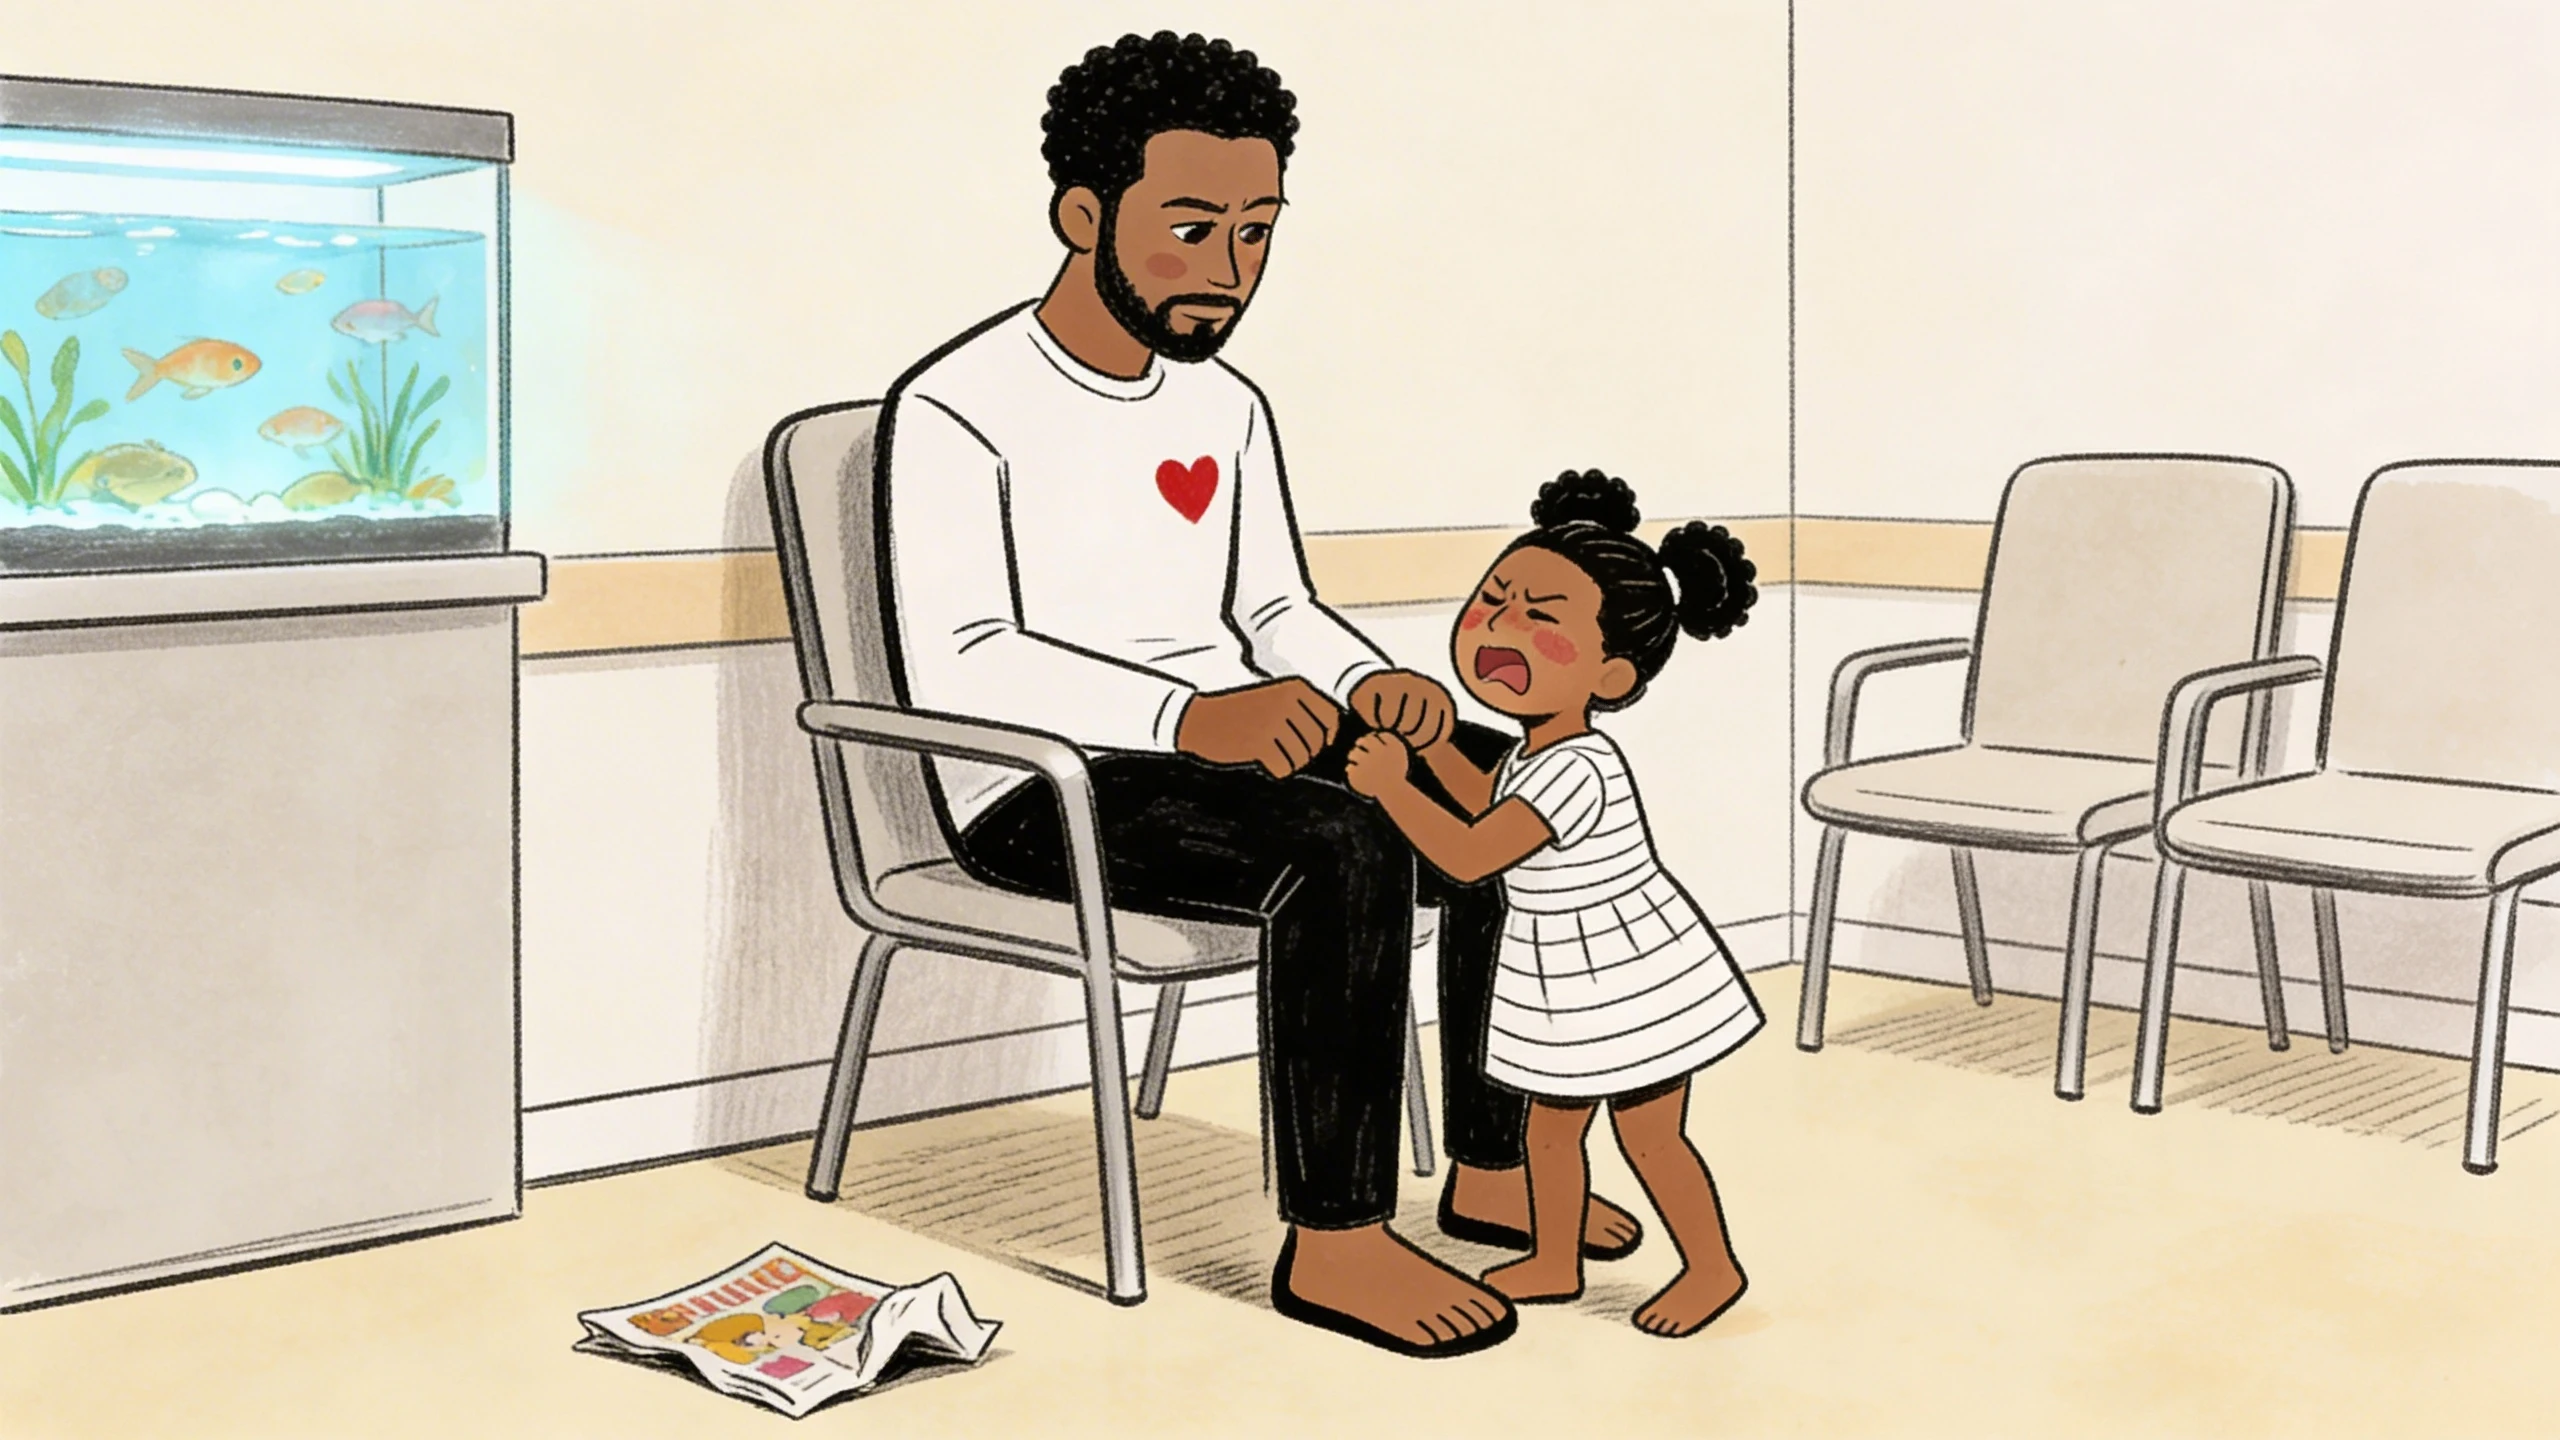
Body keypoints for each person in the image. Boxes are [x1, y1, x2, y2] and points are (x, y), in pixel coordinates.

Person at [878, 32, 1647, 1357]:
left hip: (1223, 750)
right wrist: (1189, 717)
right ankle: (1336, 1241)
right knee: (1343, 843)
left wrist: (1366, 681)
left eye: (1256, 232)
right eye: (1190, 230)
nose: (1229, 269)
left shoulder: (1225, 407)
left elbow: (1274, 610)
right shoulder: (958, 406)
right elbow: (963, 658)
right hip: (1036, 784)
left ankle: (1491, 1165)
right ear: (1082, 215)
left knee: (1493, 786)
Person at [1343, 470, 1764, 1337]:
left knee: (1649, 1137)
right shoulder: (1535, 751)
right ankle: (1554, 1258)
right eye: (1494, 599)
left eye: (1541, 616)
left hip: (1628, 978)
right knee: (1548, 1133)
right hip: (1564, 974)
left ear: (1612, 674)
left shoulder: (1579, 767)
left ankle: (1713, 1268)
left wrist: (1393, 788)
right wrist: (1436, 750)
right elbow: (1484, 799)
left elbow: (1471, 855)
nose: (1501, 626)